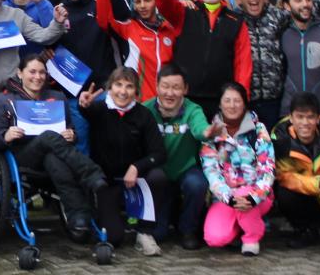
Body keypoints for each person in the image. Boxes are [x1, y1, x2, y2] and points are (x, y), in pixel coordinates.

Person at [0, 54, 106, 241]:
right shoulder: (2, 100)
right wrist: (5, 136)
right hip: (22, 156)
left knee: (53, 159)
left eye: (42, 72)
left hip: (53, 155)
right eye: (32, 72)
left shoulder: (57, 98)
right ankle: (91, 173)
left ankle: (78, 217)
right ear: (20, 73)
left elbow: (70, 130)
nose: (38, 77)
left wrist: (71, 135)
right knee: (48, 136)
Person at [78, 67, 169, 254]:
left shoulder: (144, 115)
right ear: (110, 88)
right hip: (108, 182)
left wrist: (136, 167)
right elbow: (86, 110)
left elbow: (159, 153)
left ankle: (144, 232)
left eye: (129, 86)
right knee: (114, 238)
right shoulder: (99, 109)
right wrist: (83, 104)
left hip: (135, 181)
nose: (123, 91)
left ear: (136, 91)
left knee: (158, 176)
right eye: (118, 85)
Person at [154, 0, 252, 120]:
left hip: (221, 100)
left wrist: (241, 98)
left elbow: (243, 63)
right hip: (185, 97)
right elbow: (163, 4)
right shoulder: (185, 11)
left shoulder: (236, 21)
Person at [143, 63, 213, 248]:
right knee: (158, 234)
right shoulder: (146, 109)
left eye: (176, 87)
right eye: (165, 86)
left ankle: (188, 229)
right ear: (157, 86)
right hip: (158, 175)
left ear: (185, 89)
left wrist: (207, 132)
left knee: (197, 184)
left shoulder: (193, 110)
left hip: (185, 169)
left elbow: (200, 128)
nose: (170, 93)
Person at [200, 82, 275, 256]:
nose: (232, 105)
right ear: (220, 104)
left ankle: (251, 238)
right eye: (227, 100)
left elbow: (267, 169)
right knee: (214, 238)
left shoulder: (258, 129)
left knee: (245, 195)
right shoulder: (212, 133)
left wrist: (254, 197)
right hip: (227, 198)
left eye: (237, 101)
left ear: (244, 104)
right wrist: (229, 198)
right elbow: (211, 172)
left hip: (257, 196)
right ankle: (241, 226)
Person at [53, 0, 116, 154]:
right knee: (80, 148)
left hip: (104, 90)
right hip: (74, 95)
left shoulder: (101, 3)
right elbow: (47, 41)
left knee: (110, 144)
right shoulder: (58, 12)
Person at [93, 0, 177, 101]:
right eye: (138, 2)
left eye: (147, 0)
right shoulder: (129, 28)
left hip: (166, 101)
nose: (142, 6)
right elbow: (105, 21)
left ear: (156, 2)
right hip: (138, 101)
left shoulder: (169, 30)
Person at [271, 91, 320, 248]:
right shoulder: (280, 138)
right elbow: (284, 177)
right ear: (291, 118)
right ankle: (305, 230)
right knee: (285, 194)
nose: (305, 123)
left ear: (318, 118)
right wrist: (318, 184)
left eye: (310, 117)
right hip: (305, 194)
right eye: (300, 117)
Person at [238, 0, 288, 132]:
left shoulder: (278, 16)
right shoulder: (234, 19)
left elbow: (305, 13)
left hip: (274, 101)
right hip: (244, 102)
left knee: (273, 143)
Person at [280, 0, 320, 115]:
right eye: (298, 0)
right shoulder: (280, 33)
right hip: (290, 112)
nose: (305, 4)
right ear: (287, 6)